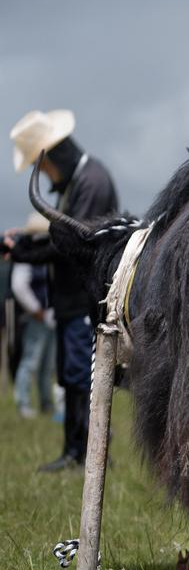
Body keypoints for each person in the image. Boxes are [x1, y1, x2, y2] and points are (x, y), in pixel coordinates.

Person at [5, 109, 119, 472]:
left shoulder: (92, 182)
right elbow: (62, 238)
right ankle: (75, 450)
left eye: (44, 168)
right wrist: (22, 246)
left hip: (85, 301)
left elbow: (75, 243)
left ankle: (84, 453)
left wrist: (22, 251)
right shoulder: (80, 182)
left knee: (81, 378)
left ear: (53, 156)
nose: (45, 177)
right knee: (71, 376)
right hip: (71, 302)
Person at [10, 213, 56, 418]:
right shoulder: (27, 255)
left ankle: (46, 403)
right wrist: (37, 311)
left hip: (49, 316)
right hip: (35, 317)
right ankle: (23, 402)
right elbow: (19, 286)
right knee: (31, 362)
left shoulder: (45, 255)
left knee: (47, 365)